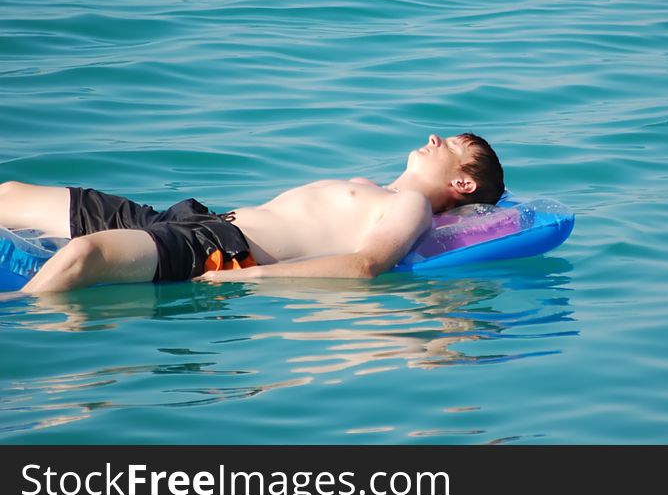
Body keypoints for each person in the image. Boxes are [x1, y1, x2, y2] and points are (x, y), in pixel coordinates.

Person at [0, 133, 504, 293]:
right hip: (193, 219)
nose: (434, 137)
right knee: (12, 194)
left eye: (450, 144)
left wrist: (252, 278)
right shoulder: (369, 186)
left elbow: (365, 267)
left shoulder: (410, 205)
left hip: (221, 250)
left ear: (462, 182)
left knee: (86, 254)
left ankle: (16, 311)